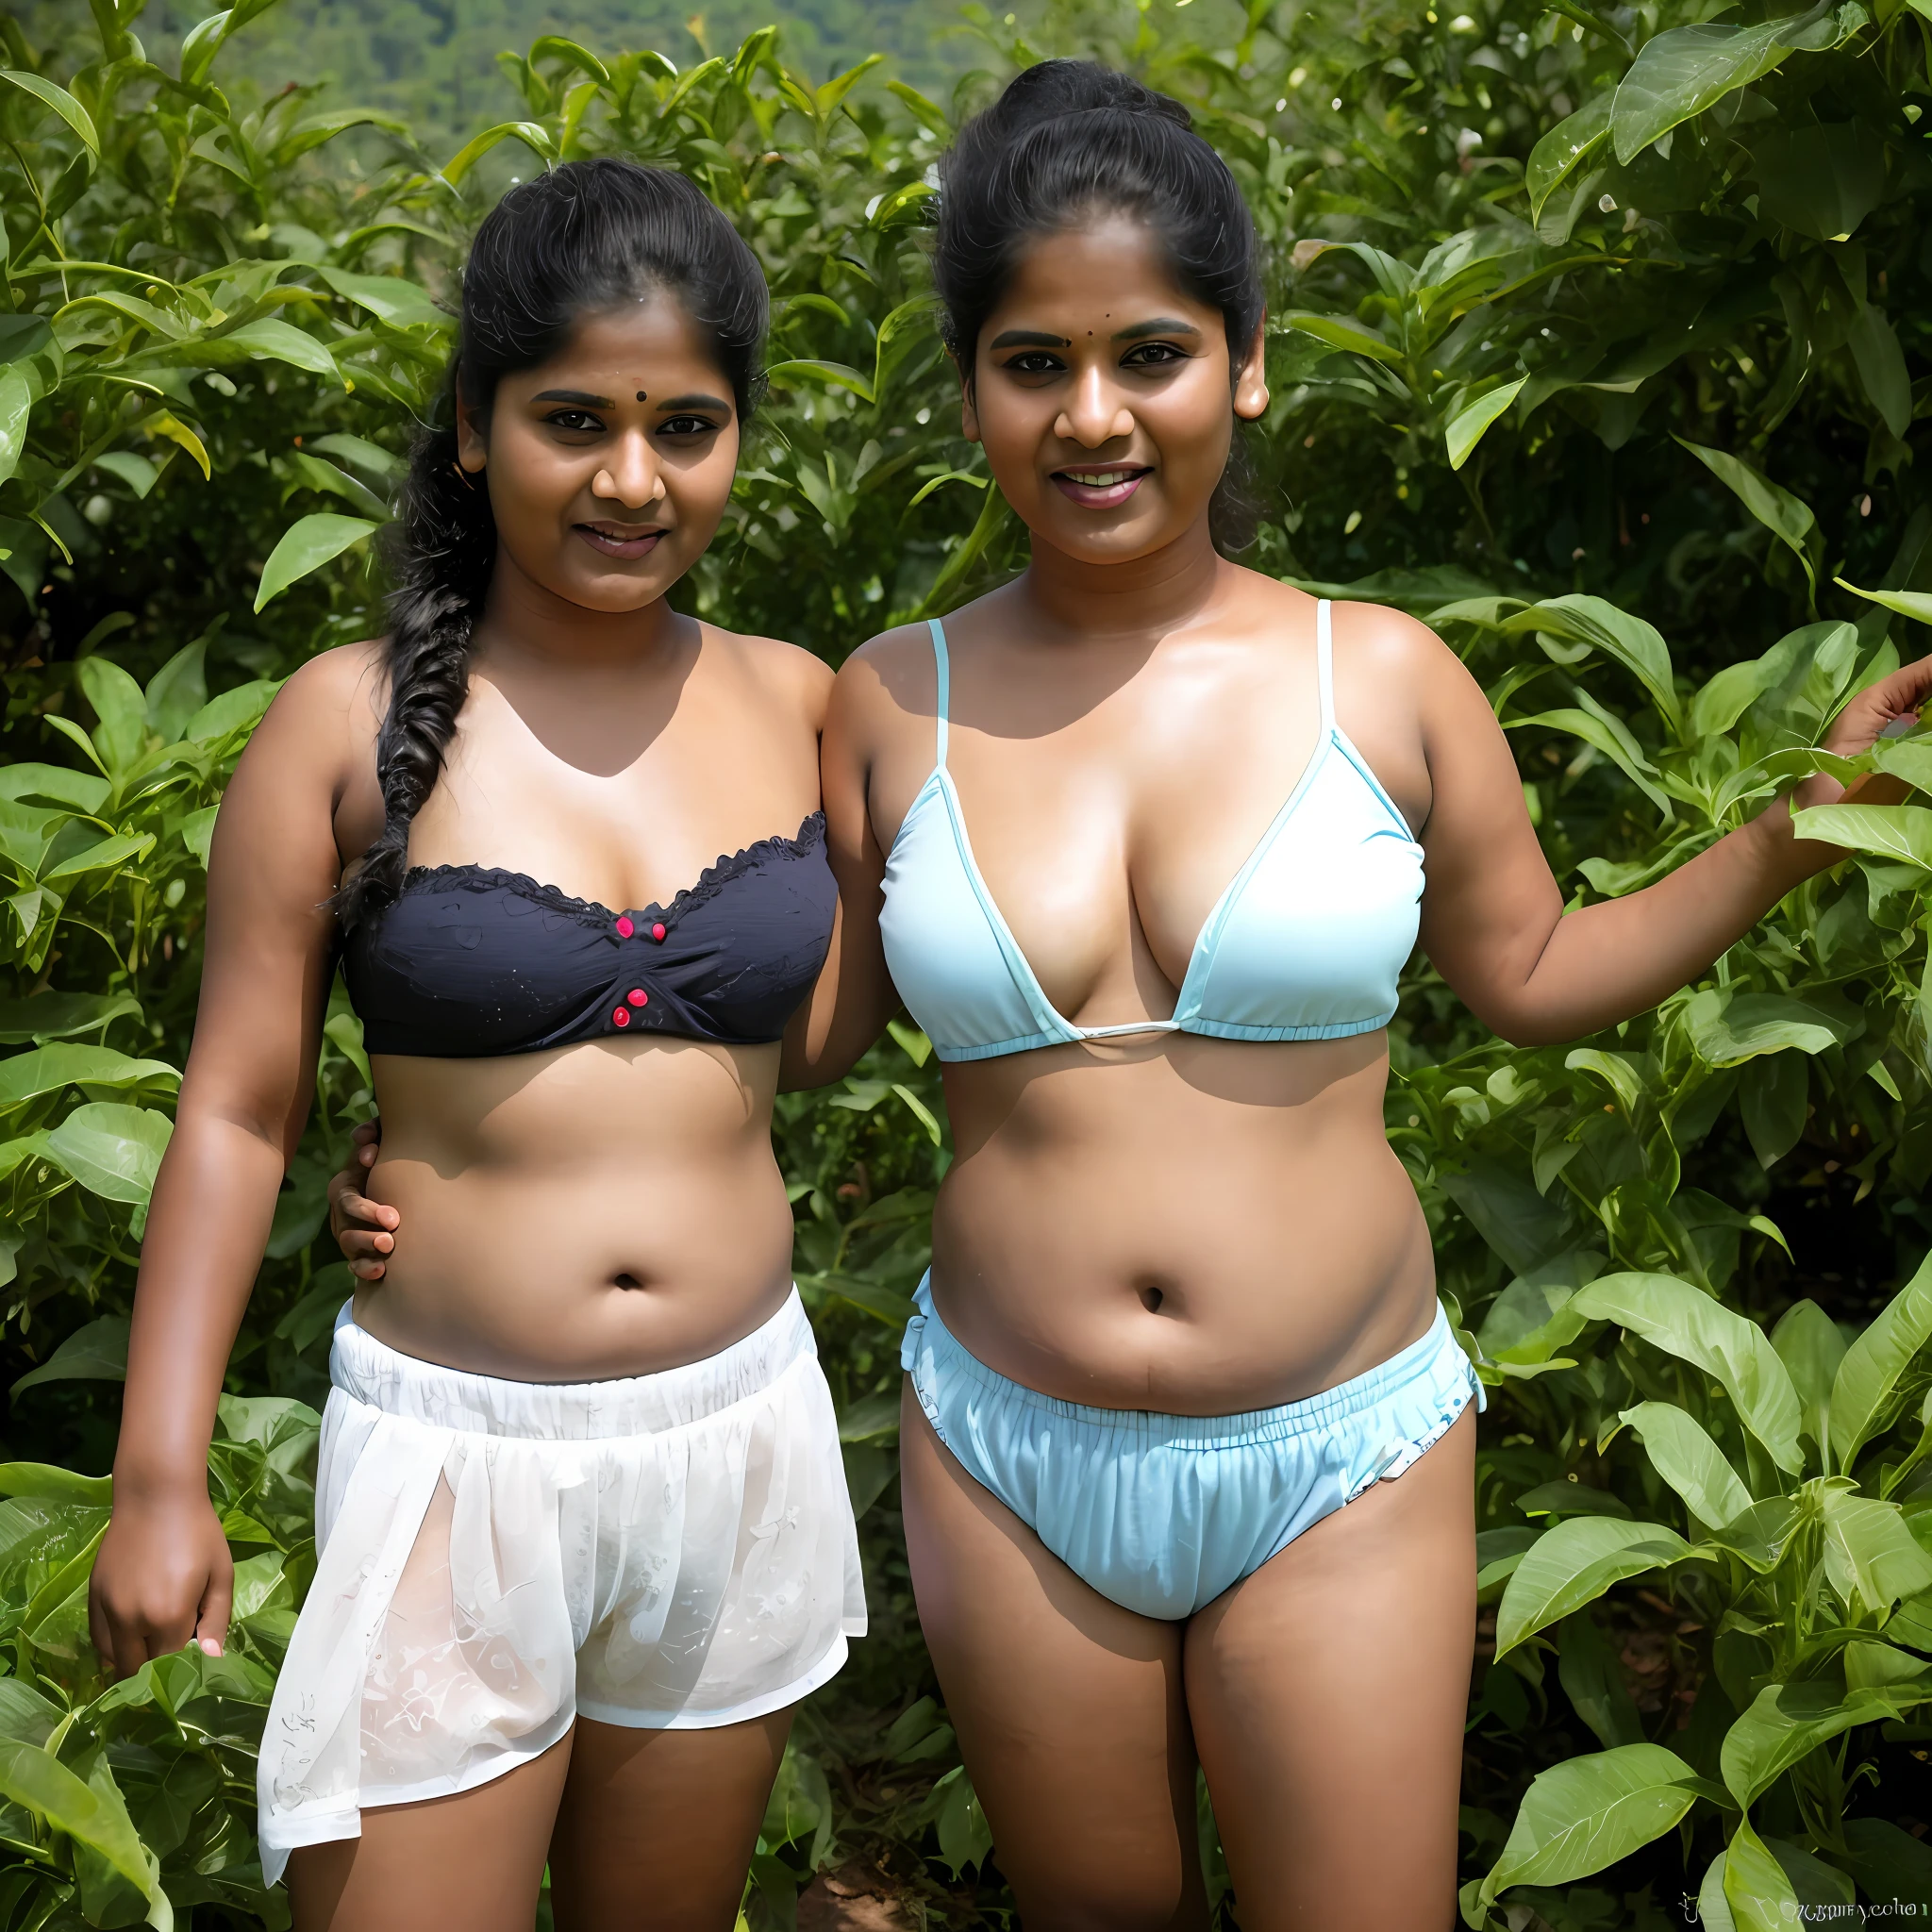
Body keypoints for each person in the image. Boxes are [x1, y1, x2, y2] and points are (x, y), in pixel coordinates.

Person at [332, 63, 1931, 1931]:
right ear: (971, 393)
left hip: (1341, 1443)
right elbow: (776, 1016)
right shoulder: (887, 695)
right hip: (1006, 1451)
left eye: (1149, 354)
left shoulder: (1384, 679)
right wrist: (446, 1124)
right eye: (1032, 364)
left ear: (1244, 364)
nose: (1093, 416)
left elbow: (1537, 972)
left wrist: (1800, 833)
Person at [91, 158, 864, 1932]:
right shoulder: (342, 728)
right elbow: (234, 1109)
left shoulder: (801, 698)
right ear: (472, 425)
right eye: (571, 418)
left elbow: (835, 1025)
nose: (630, 477)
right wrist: (159, 1474)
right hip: (456, 1460)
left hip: (736, 1437)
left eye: (687, 424)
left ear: (739, 436)